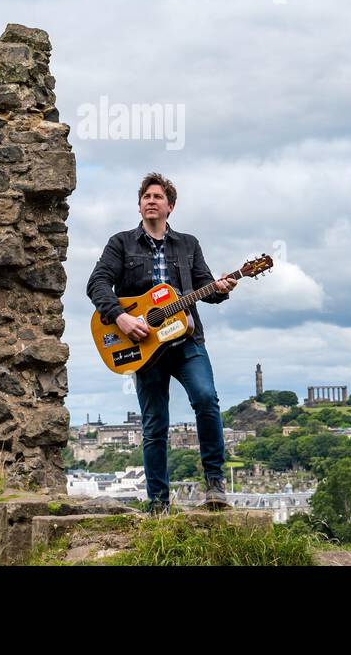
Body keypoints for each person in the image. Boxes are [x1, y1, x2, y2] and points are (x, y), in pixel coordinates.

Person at [86, 171, 236, 513]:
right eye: (145, 197)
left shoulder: (189, 244)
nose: (150, 201)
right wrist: (121, 317)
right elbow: (97, 284)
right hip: (144, 347)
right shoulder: (120, 243)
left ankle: (214, 484)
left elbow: (205, 287)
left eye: (157, 197)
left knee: (206, 398)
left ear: (170, 206)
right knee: (155, 424)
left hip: (186, 340)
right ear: (139, 206)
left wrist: (221, 288)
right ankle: (158, 503)